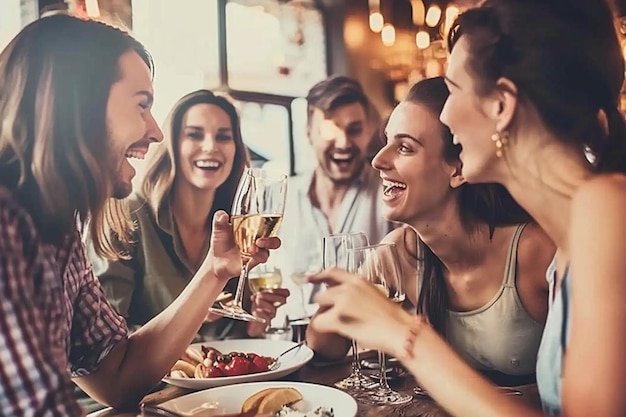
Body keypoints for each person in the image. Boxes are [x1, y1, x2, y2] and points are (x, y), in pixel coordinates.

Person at [309, 0, 626, 415]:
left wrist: (403, 333)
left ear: (501, 105)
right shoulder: (575, 233)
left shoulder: (604, 211)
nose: (446, 113)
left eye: (454, 89)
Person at [0, 14, 279, 415]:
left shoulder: (61, 234)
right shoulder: (8, 222)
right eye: (141, 105)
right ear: (78, 103)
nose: (155, 132)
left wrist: (215, 270)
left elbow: (117, 373)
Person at [306, 77, 555, 386]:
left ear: (459, 169)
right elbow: (325, 347)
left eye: (405, 148)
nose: (378, 160)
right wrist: (341, 300)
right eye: (386, 141)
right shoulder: (398, 253)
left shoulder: (537, 251)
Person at [87, 89, 289, 340]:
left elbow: (225, 345)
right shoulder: (124, 216)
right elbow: (104, 346)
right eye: (194, 135)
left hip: (220, 380)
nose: (210, 146)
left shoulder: (236, 227)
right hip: (152, 380)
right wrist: (192, 314)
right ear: (172, 144)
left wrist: (252, 327)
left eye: (223, 137)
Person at [279, 75, 395, 313]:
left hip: (369, 344)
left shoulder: (390, 191)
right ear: (309, 133)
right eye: (329, 130)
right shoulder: (283, 201)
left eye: (354, 130)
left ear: (368, 132)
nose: (343, 143)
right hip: (294, 345)